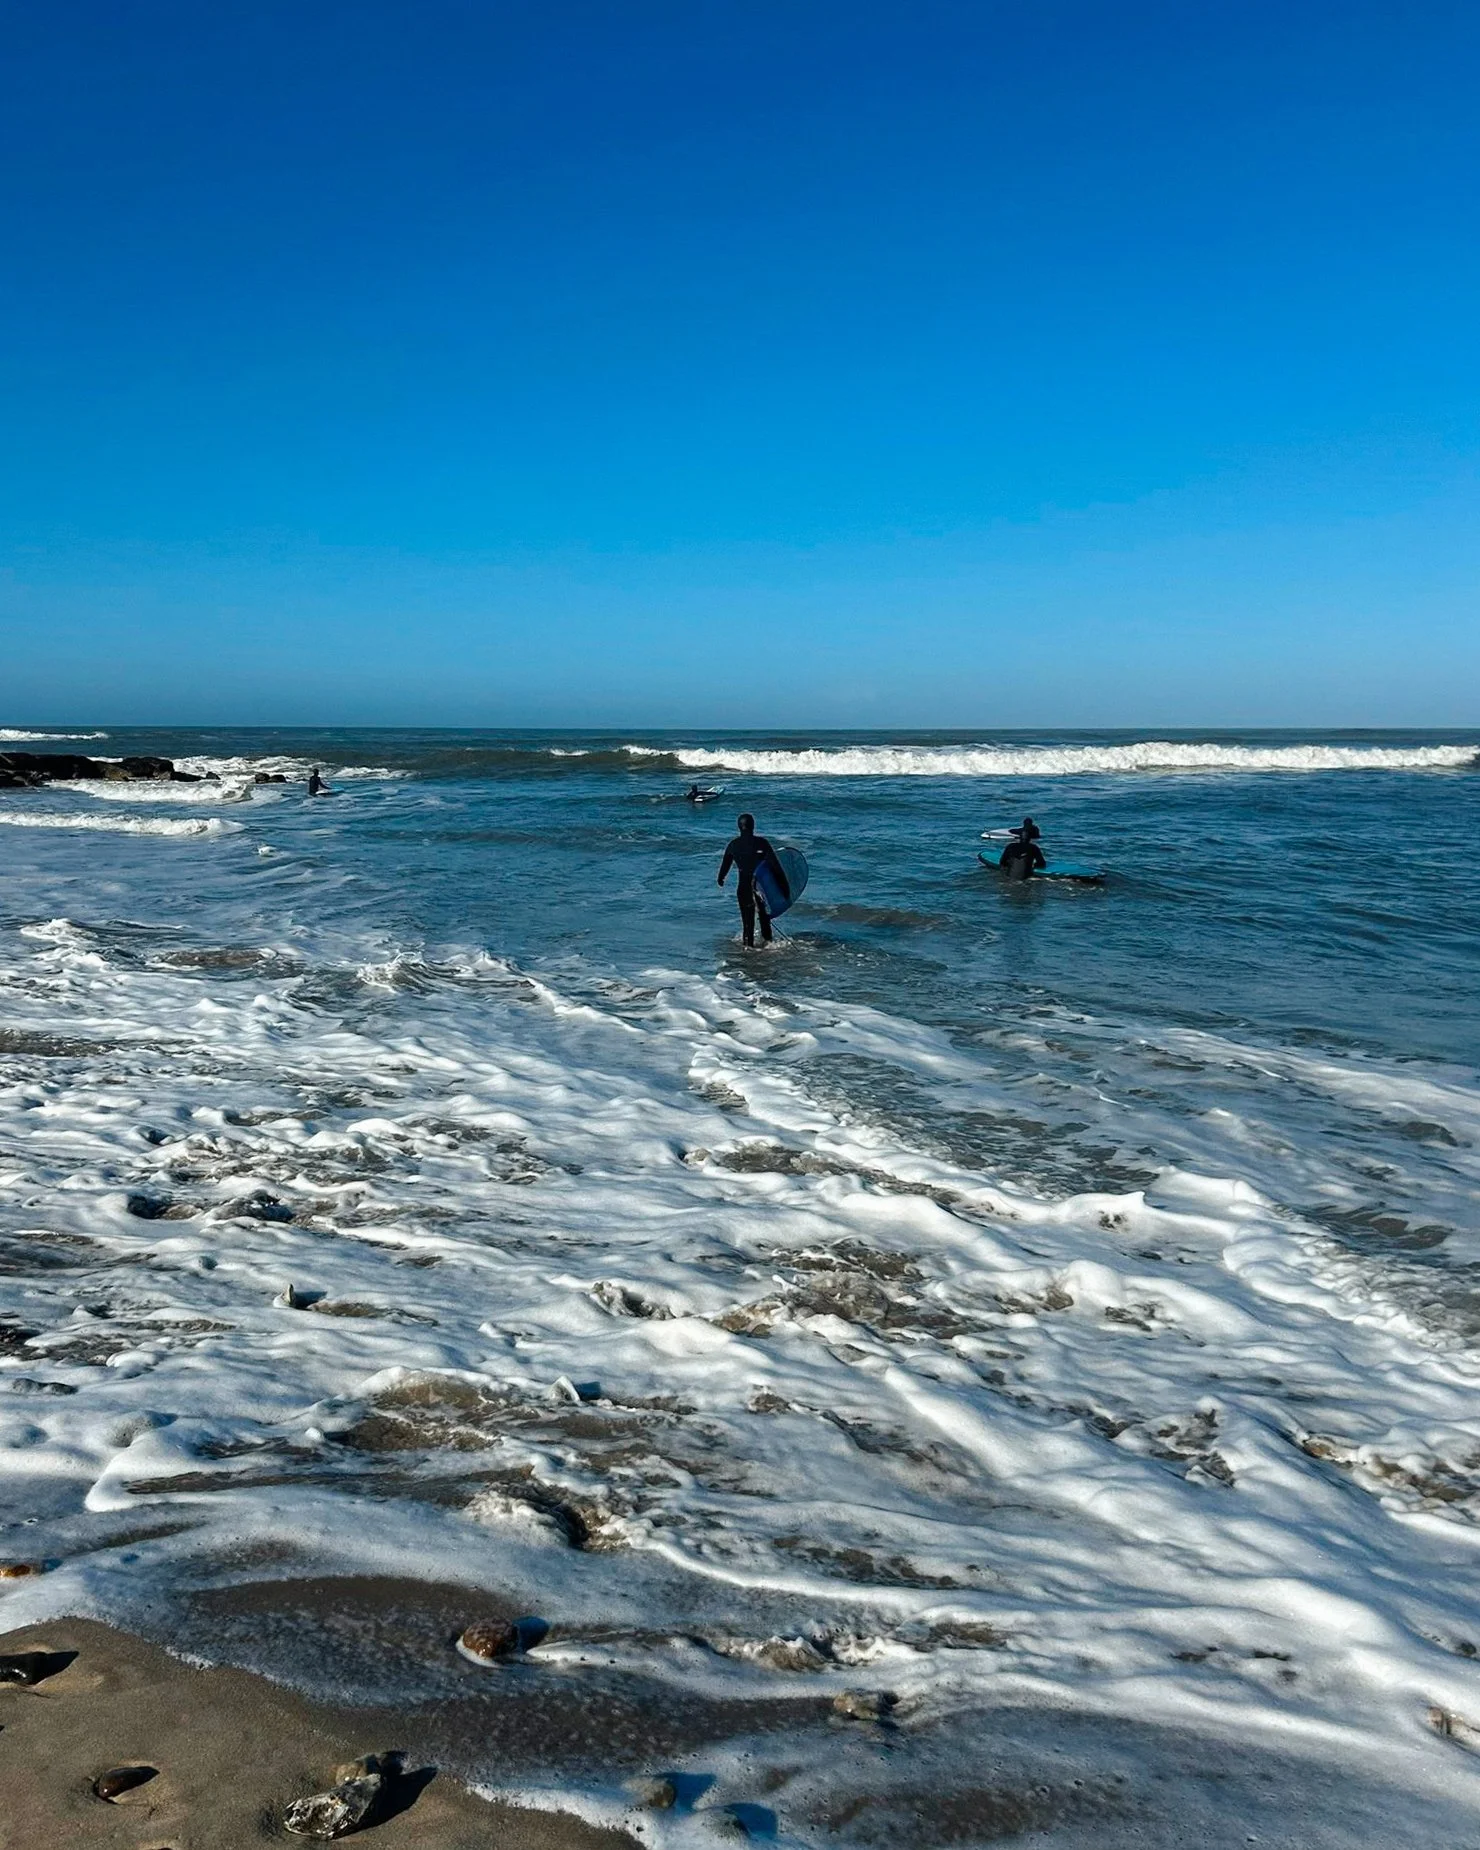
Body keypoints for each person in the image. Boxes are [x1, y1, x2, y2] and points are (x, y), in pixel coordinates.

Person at [718, 813, 789, 947]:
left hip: (743, 889)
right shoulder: (762, 843)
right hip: (761, 888)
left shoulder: (733, 844)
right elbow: (775, 868)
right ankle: (768, 947)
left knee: (747, 924)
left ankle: (748, 952)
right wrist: (785, 889)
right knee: (765, 919)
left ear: (739, 827)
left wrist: (721, 879)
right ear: (753, 826)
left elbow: (725, 866)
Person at [999, 816, 1045, 880]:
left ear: (1019, 837)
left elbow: (1002, 862)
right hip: (1025, 879)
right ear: (1030, 838)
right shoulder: (1034, 848)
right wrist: (1033, 865)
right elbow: (1042, 864)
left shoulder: (1010, 846)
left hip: (1009, 877)